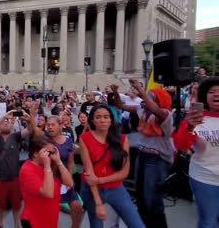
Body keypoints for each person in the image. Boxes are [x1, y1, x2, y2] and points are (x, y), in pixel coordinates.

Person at [112, 80, 173, 228]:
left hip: (157, 159)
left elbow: (154, 108)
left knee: (152, 199)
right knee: (140, 196)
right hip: (142, 155)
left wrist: (140, 88)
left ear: (159, 101)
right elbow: (120, 106)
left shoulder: (164, 114)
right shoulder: (142, 111)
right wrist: (115, 93)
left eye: (151, 97)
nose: (145, 100)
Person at [79, 104, 144, 228]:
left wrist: (100, 180)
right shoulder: (85, 138)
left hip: (116, 188)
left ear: (111, 119)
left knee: (136, 224)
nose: (102, 120)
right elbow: (89, 173)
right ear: (92, 120)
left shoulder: (122, 139)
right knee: (97, 225)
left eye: (105, 117)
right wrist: (98, 204)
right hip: (93, 191)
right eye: (98, 117)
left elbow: (124, 172)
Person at [173, 78, 219, 228]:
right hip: (205, 178)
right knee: (209, 220)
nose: (216, 95)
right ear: (205, 96)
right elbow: (180, 145)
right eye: (212, 92)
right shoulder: (195, 118)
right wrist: (189, 128)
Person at [19, 138, 73, 228]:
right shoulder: (27, 170)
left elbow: (69, 183)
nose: (51, 156)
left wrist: (59, 161)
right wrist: (47, 166)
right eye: (48, 153)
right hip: (35, 221)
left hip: (50, 218)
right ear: (36, 154)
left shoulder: (51, 165)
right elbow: (48, 193)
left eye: (52, 152)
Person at [0, 110, 30, 228]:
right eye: (4, 122)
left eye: (8, 122)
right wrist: (3, 117)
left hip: (15, 177)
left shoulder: (15, 136)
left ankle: (17, 224)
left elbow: (30, 130)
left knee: (17, 204)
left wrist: (28, 119)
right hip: (0, 178)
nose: (6, 123)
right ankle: (0, 224)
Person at [44, 115, 83, 228]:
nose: (50, 127)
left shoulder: (68, 141)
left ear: (60, 126)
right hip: (50, 180)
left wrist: (69, 178)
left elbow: (71, 163)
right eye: (48, 125)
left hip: (65, 178)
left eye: (53, 125)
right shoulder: (44, 141)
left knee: (76, 206)